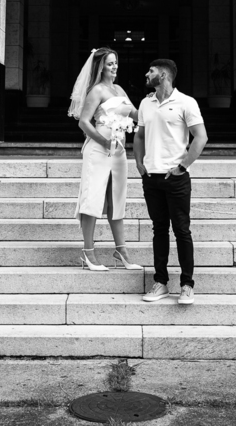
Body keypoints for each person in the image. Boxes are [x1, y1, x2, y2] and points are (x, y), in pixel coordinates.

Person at [134, 58, 207, 305]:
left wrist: (183, 166)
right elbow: (140, 135)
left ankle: (187, 285)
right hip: (151, 178)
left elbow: (201, 137)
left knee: (182, 231)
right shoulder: (146, 103)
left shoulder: (186, 102)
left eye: (151, 71)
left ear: (163, 75)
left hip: (175, 178)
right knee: (159, 231)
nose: (147, 74)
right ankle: (161, 283)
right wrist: (139, 163)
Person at [69, 47, 142, 272]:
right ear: (101, 66)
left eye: (116, 63)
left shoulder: (119, 89)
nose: (114, 67)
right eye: (110, 63)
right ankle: (88, 252)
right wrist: (102, 140)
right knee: (93, 197)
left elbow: (136, 114)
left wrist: (154, 103)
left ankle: (121, 250)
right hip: (99, 150)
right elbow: (83, 121)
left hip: (119, 151)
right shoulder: (96, 91)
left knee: (116, 197)